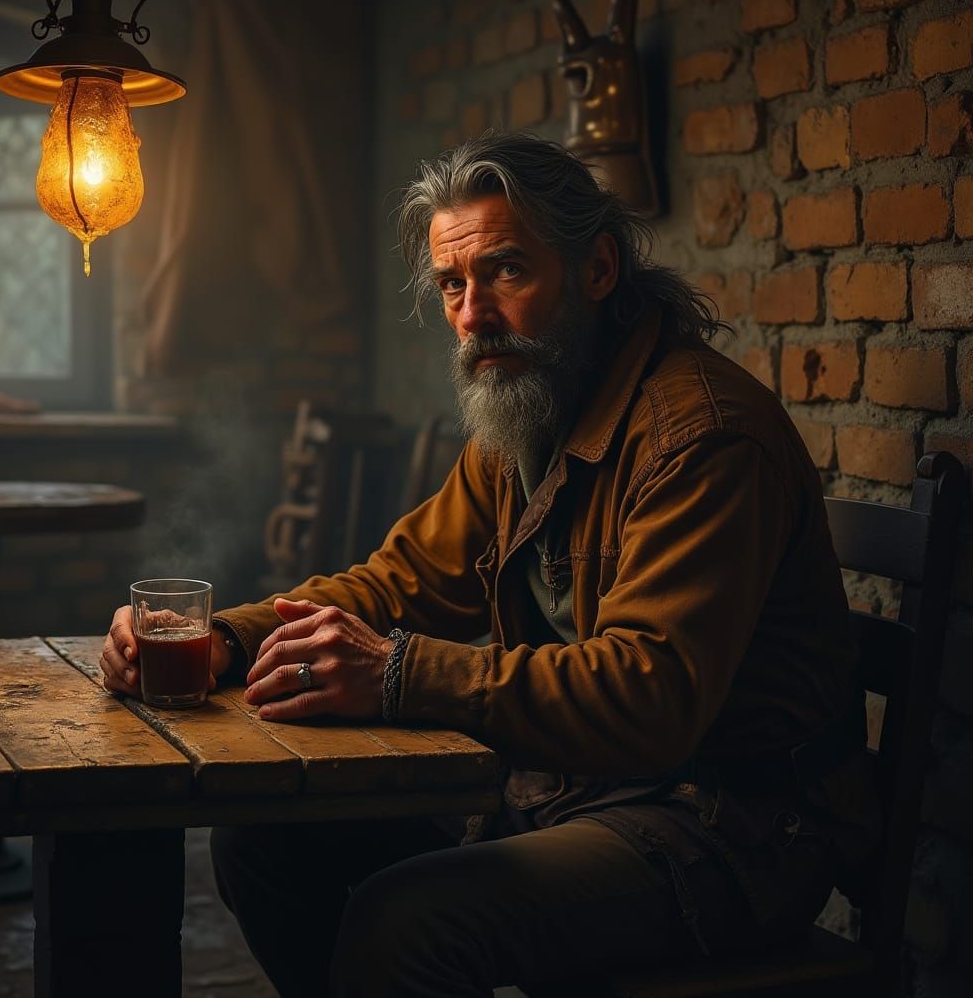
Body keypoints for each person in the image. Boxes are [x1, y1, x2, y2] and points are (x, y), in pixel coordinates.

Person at [102, 133, 878, 998]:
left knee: (405, 926)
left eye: (507, 271)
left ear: (597, 270)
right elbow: (398, 581)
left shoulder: (703, 437)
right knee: (261, 841)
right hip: (575, 790)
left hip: (731, 827)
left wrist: (397, 674)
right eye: (452, 284)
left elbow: (649, 696)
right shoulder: (526, 416)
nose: (473, 314)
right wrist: (221, 638)